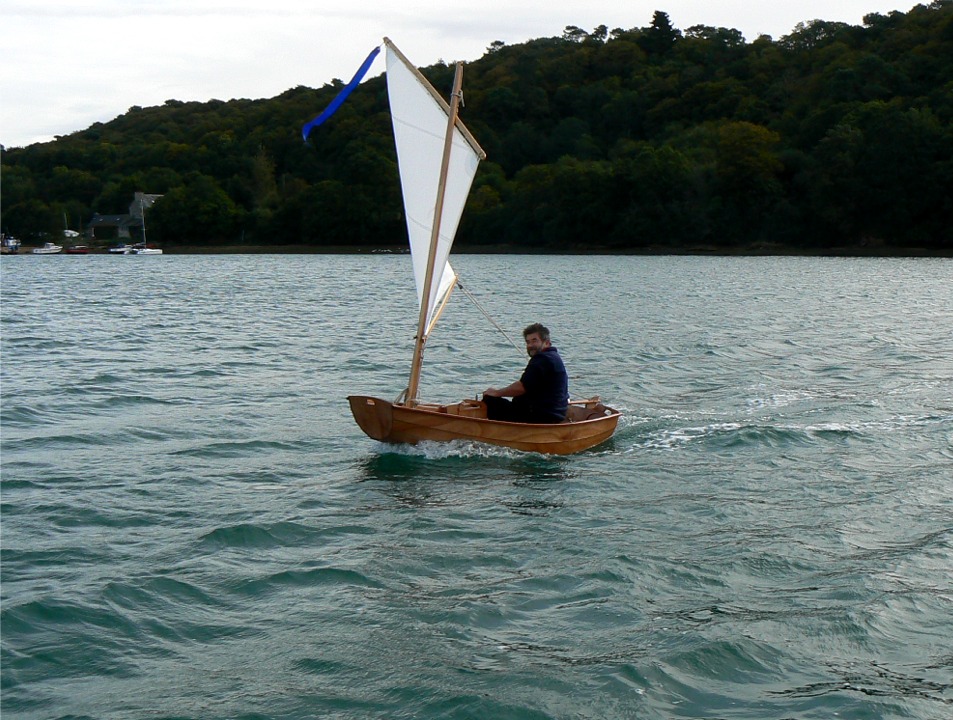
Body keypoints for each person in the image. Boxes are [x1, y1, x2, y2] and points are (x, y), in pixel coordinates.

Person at [483, 323, 569, 423]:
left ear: (546, 342)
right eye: (528, 342)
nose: (530, 345)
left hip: (542, 416)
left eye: (534, 341)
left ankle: (494, 432)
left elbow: (521, 387)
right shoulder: (554, 357)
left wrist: (496, 393)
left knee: (489, 400)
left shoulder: (542, 359)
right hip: (556, 414)